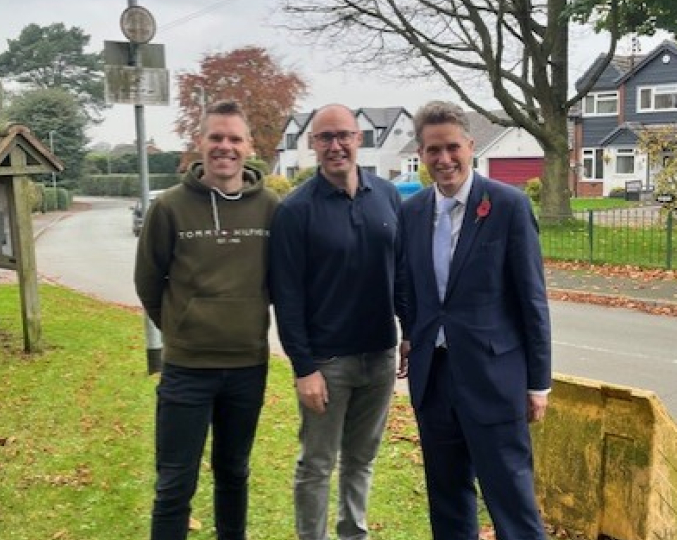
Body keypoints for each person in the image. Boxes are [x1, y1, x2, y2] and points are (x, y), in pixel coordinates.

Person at [399, 100, 552, 540]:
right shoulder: (411, 213)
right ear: (422, 152)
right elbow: (410, 287)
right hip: (434, 380)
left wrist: (538, 383)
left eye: (452, 148)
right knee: (447, 501)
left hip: (494, 380)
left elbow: (532, 300)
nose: (443, 160)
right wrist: (411, 334)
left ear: (470, 145)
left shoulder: (507, 205)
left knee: (512, 504)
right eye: (432, 150)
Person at [134, 99, 279, 540]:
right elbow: (147, 281)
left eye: (234, 138)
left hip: (247, 367)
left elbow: (281, 279)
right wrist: (181, 328)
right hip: (186, 370)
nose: (225, 147)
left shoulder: (270, 208)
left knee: (234, 473)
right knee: (175, 483)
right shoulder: (170, 208)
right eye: (215, 137)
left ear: (249, 146)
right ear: (200, 142)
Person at [269, 103, 408, 540]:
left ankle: (354, 534)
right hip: (326, 363)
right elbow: (286, 297)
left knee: (362, 459)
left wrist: (409, 331)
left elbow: (402, 271)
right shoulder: (295, 210)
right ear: (312, 145)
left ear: (359, 139)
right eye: (325, 138)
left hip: (380, 354)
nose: (335, 146)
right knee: (317, 464)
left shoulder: (386, 196)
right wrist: (303, 368)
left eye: (343, 135)